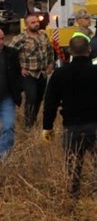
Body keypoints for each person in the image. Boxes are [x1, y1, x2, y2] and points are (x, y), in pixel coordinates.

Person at [41, 36, 97, 197]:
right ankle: (96, 192)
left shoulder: (60, 74)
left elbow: (50, 102)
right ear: (89, 50)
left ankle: (73, 194)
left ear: (70, 51)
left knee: (73, 163)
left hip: (72, 126)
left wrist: (47, 126)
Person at [8, 13, 57, 128]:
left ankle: (33, 120)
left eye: (37, 22)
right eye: (33, 23)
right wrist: (19, 69)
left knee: (39, 98)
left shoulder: (43, 35)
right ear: (26, 25)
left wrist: (51, 63)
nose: (36, 24)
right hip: (29, 74)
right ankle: (28, 124)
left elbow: (50, 51)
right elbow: (10, 55)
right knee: (31, 96)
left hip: (42, 73)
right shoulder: (20, 38)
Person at [0, 29, 23, 160]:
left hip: (6, 98)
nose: (1, 42)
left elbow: (17, 73)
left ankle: (3, 155)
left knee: (8, 126)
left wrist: (18, 90)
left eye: (3, 38)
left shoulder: (11, 54)